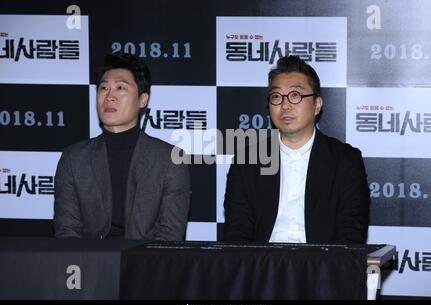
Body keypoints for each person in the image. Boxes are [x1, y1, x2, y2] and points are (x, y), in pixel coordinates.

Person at [223, 55, 370, 244]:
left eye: (295, 95)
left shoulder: (345, 161)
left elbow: (351, 235)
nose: (285, 105)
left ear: (317, 105)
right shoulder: (247, 160)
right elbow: (237, 234)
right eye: (276, 97)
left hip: (323, 267)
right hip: (262, 267)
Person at [53, 53, 190, 240]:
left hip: (146, 263)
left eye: (120, 88)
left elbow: (169, 237)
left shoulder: (170, 160)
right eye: (103, 88)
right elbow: (67, 231)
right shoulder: (74, 158)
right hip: (89, 263)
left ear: (142, 100)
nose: (110, 96)